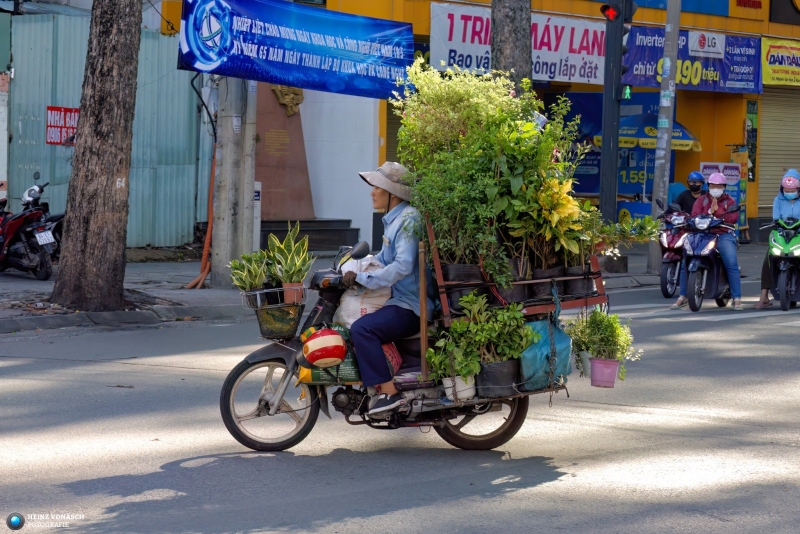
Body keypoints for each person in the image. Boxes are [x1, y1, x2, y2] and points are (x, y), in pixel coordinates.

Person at [345, 161, 433, 415]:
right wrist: (354, 267)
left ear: (392, 193)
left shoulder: (408, 219)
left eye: (377, 187)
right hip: (398, 299)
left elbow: (403, 265)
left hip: (411, 305)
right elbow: (383, 260)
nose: (372, 192)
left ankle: (389, 393)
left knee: (362, 329)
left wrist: (364, 279)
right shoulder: (393, 220)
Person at [671, 172, 743, 311]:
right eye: (713, 186)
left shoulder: (729, 201)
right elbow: (694, 216)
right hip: (702, 234)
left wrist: (718, 212)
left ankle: (736, 298)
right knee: (686, 260)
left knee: (731, 263)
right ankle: (683, 296)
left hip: (722, 235)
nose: (716, 188)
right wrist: (710, 211)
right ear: (708, 186)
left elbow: (732, 218)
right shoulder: (702, 200)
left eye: (719, 186)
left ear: (724, 187)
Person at [755, 169, 800, 309]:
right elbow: (776, 218)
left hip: (798, 234)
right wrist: (778, 224)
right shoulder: (778, 200)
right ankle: (764, 296)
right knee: (769, 257)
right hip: (782, 234)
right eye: (786, 190)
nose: (789, 192)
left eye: (792, 190)